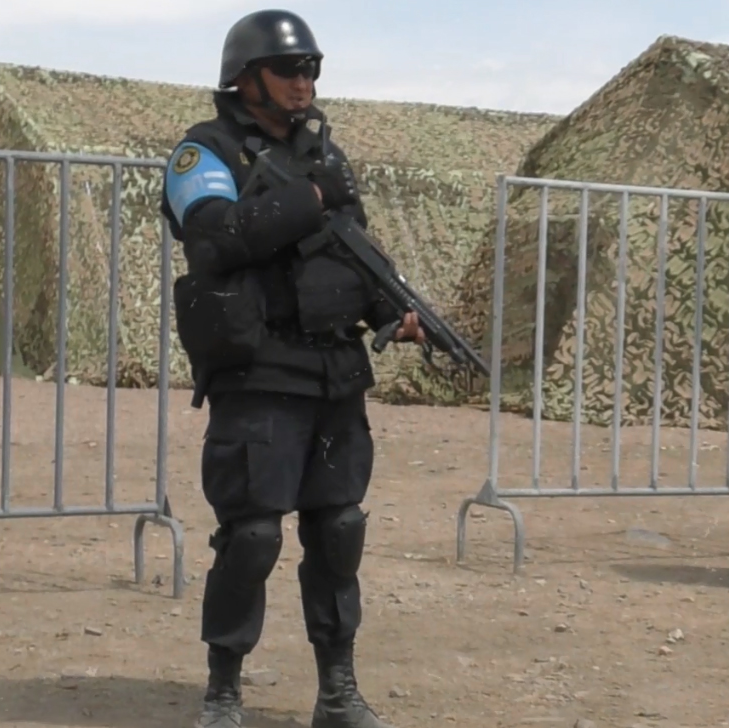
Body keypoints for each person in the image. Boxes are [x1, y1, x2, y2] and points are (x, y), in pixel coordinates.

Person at [159, 9, 423, 728]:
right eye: (287, 69)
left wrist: (391, 312)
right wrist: (311, 197)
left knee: (339, 530)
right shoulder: (203, 152)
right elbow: (216, 238)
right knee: (252, 536)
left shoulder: (324, 154)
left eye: (311, 69)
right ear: (245, 78)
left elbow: (354, 249)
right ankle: (223, 693)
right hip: (259, 370)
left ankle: (337, 692)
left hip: (334, 370)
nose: (303, 82)